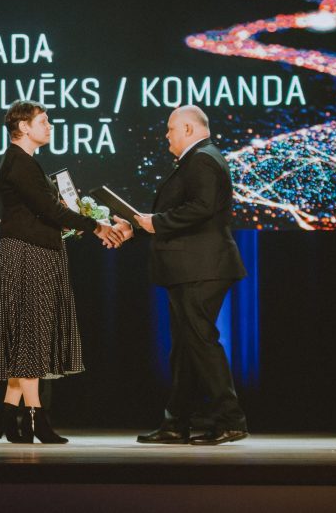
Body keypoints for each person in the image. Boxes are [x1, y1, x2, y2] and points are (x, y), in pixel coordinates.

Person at [115, 104, 249, 445]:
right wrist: (139, 227)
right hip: (194, 266)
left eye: (170, 129)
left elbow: (202, 208)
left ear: (188, 129)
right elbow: (184, 212)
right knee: (187, 347)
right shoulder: (200, 158)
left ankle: (231, 420)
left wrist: (155, 222)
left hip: (202, 266)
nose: (166, 136)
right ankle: (176, 423)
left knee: (200, 342)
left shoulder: (202, 159)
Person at [0, 99, 119, 444]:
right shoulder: (20, 163)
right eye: (43, 121)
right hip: (27, 253)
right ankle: (35, 419)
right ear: (23, 127)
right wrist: (96, 226)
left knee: (30, 332)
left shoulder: (25, 162)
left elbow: (46, 210)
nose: (50, 127)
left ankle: (8, 414)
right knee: (30, 334)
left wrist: (73, 217)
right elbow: (49, 210)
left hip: (36, 251)